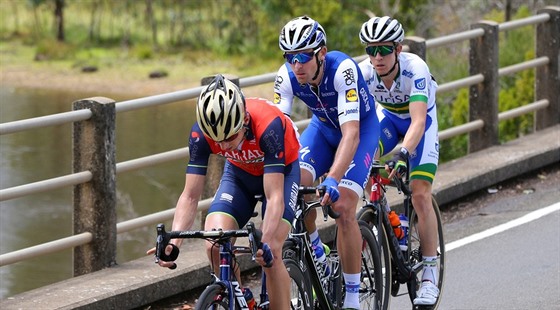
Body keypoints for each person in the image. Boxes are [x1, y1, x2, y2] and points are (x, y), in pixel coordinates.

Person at [147, 75, 301, 309]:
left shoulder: (268, 126)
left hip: (282, 173)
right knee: (214, 243)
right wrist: (174, 242)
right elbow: (190, 195)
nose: (225, 146)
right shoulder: (201, 134)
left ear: (244, 120)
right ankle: (238, 299)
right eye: (217, 140)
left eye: (230, 137)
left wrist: (266, 242)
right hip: (240, 175)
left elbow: (275, 196)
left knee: (272, 252)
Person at [274, 15, 380, 310]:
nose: (297, 65)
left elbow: (351, 134)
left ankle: (352, 297)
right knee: (297, 189)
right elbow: (278, 129)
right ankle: (319, 257)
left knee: (343, 207)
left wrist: (333, 176)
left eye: (304, 57)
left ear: (321, 53)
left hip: (359, 131)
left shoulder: (342, 69)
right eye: (290, 57)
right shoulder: (286, 76)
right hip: (321, 131)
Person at [358, 16, 441, 306]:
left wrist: (404, 154)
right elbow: (360, 123)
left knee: (419, 194)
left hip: (421, 124)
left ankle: (430, 272)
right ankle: (390, 221)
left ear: (398, 49)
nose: (376, 57)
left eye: (383, 50)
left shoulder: (415, 68)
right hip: (390, 121)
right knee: (364, 159)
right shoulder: (364, 73)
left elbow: (418, 121)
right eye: (371, 50)